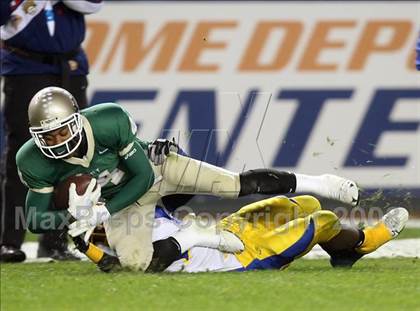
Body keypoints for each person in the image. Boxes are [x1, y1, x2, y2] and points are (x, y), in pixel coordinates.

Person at [16, 86, 360, 271]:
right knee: (136, 267)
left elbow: (142, 176)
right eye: (48, 137)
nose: (57, 142)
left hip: (153, 172)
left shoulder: (108, 120)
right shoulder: (33, 160)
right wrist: (71, 217)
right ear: (36, 137)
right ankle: (194, 236)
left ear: (76, 120)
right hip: (123, 204)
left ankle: (317, 183)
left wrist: (102, 212)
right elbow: (35, 219)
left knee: (233, 184)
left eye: (62, 132)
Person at [0, 0, 103, 262]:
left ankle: (56, 242)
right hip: (25, 68)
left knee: (71, 155)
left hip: (70, 67)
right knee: (20, 155)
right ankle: (10, 241)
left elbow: (93, 4)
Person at [78, 195, 409, 273]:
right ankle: (359, 245)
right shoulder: (123, 254)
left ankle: (341, 249)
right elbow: (117, 268)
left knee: (303, 202)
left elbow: (176, 193)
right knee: (320, 219)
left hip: (229, 232)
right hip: (241, 256)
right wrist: (85, 247)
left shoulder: (132, 211)